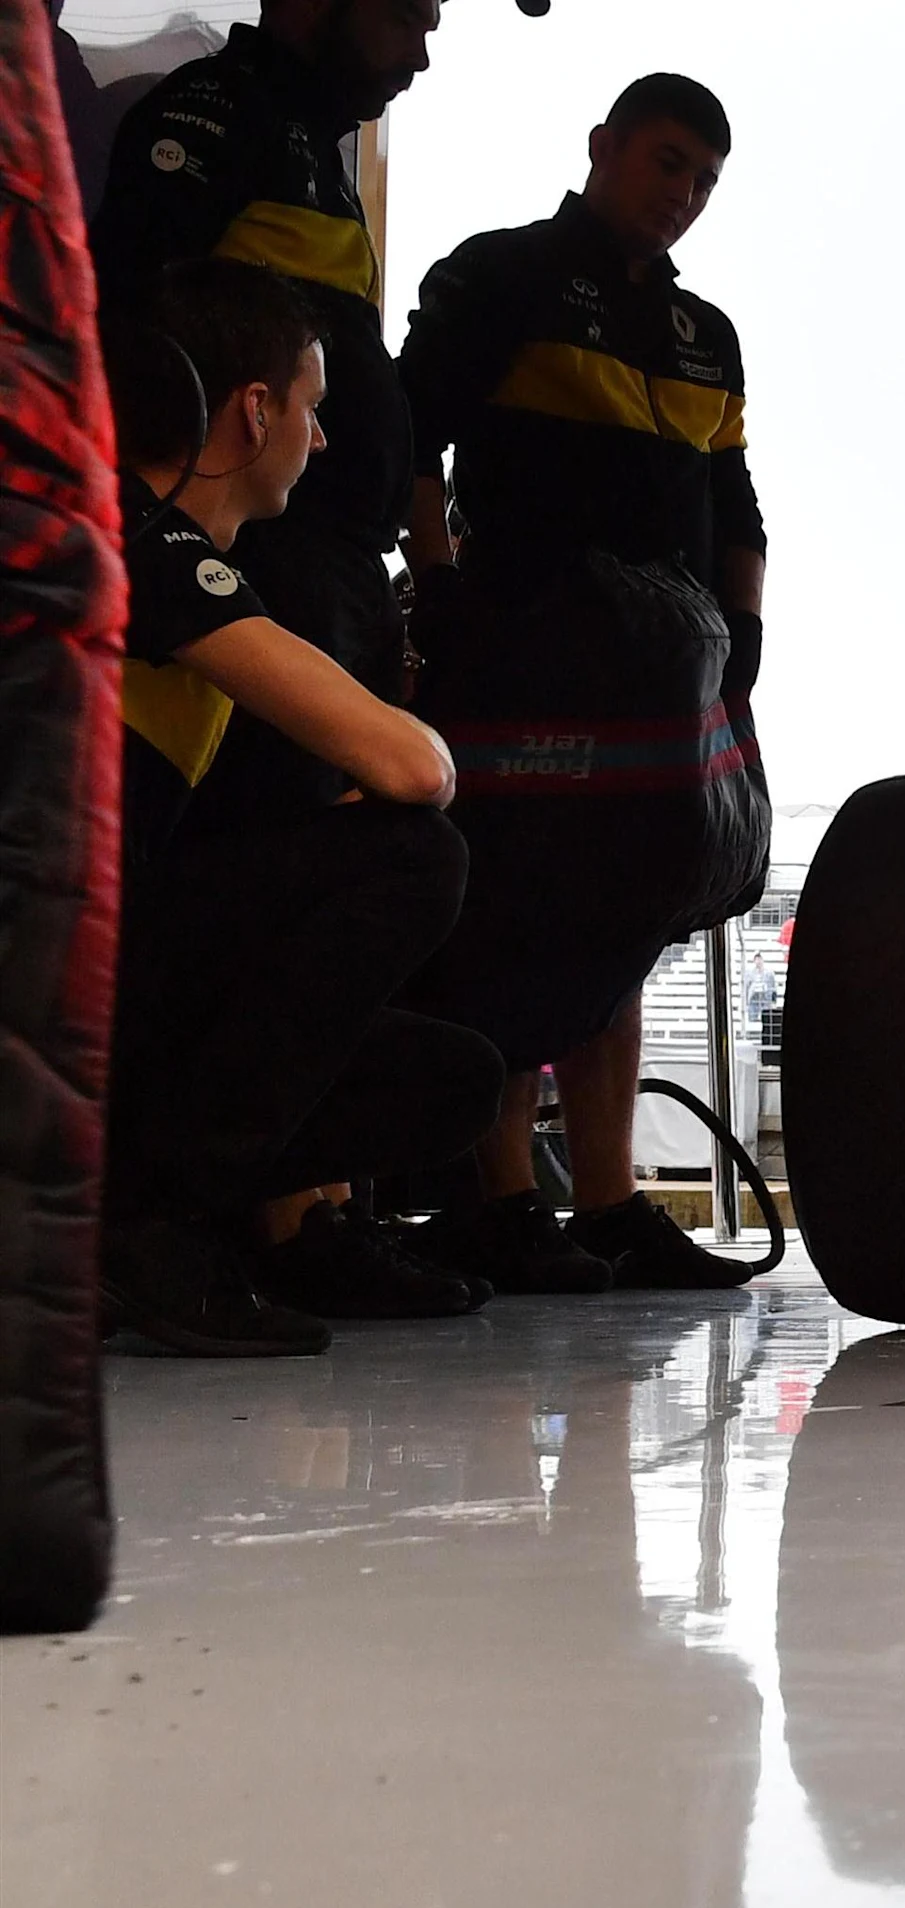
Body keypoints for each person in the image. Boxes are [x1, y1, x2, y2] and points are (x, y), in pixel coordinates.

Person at [394, 74, 769, 1294]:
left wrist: (747, 631)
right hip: (519, 650)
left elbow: (737, 508)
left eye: (705, 182)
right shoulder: (497, 275)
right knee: (513, 923)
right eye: (668, 163)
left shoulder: (706, 331)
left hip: (669, 671)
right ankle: (502, 1202)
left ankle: (607, 1208)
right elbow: (410, 439)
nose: (683, 196)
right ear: (604, 146)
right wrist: (441, 584)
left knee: (629, 923)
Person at [95, 259, 503, 1356]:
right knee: (413, 858)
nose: (322, 444)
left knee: (449, 1080)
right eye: (314, 410)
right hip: (52, 978)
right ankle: (145, 1226)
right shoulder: (143, 541)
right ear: (254, 410)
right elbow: (412, 770)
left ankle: (132, 1210)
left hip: (92, 971)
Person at [90, 2, 441, 858]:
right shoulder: (211, 110)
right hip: (251, 555)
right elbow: (131, 337)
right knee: (268, 839)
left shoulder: (326, 156)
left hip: (342, 566)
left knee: (369, 837)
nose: (421, 56)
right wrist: (178, 528)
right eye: (404, 19)